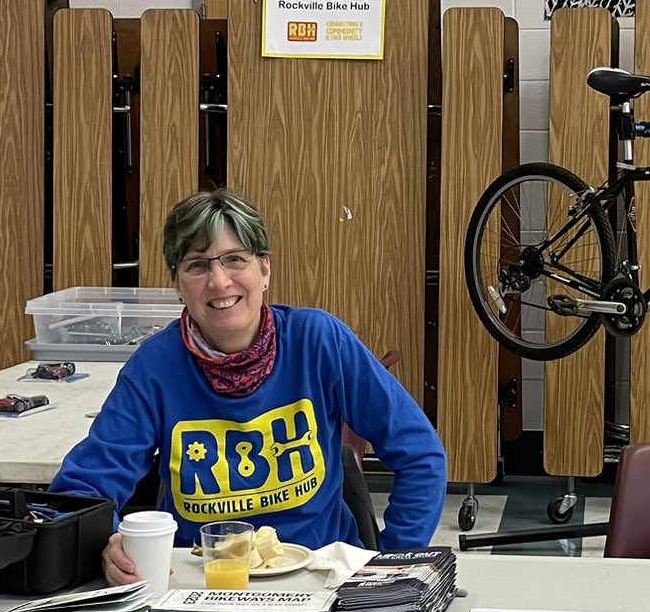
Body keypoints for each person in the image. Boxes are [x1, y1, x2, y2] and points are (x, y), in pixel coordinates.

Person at [53, 190, 448, 585]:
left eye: (235, 259)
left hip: (321, 580)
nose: (219, 281)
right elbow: (81, 491)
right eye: (197, 265)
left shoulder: (319, 342)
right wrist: (109, 542)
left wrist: (392, 564)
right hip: (201, 583)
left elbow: (420, 454)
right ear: (177, 285)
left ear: (265, 270)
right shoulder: (154, 367)